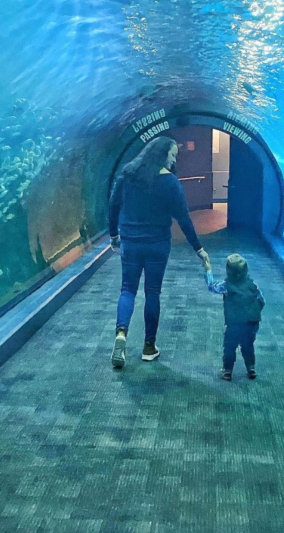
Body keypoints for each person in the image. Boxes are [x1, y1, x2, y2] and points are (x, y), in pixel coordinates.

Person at [108, 136, 210, 368]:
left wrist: (114, 235)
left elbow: (113, 206)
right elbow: (183, 218)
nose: (174, 160)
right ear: (162, 154)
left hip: (131, 243)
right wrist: (199, 248)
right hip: (157, 245)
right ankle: (148, 347)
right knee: (152, 292)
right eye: (172, 155)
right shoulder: (170, 183)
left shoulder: (127, 174)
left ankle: (121, 333)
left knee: (127, 290)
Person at [203, 253, 265, 381]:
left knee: (230, 346)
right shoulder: (253, 285)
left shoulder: (226, 286)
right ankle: (251, 368)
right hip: (252, 323)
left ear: (228, 271)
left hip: (235, 323)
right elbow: (261, 301)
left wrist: (208, 269)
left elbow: (212, 286)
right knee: (248, 345)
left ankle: (227, 371)